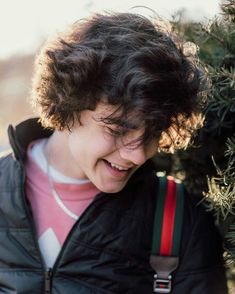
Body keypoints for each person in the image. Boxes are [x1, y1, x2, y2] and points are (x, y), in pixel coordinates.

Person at [0, 12, 228, 293]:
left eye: (153, 133)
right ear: (70, 103)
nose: (139, 156)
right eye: (118, 130)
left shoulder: (181, 217)